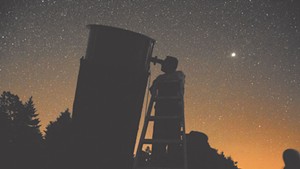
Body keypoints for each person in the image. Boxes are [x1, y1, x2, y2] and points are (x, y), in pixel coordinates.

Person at [150, 56, 185, 167]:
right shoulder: (179, 76)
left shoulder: (163, 78)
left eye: (165, 63)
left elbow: (153, 90)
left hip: (163, 112)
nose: (162, 65)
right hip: (173, 113)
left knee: (159, 143)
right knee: (172, 142)